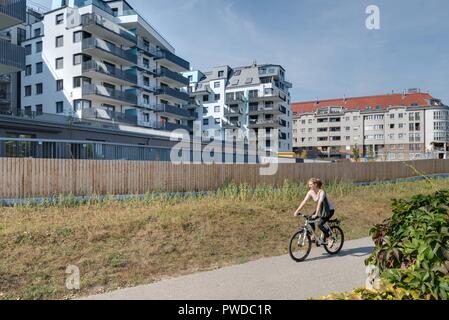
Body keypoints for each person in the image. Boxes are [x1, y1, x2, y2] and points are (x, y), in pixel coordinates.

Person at [294, 178, 335, 247]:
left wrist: (316, 214)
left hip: (328, 210)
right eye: (309, 185)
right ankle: (313, 236)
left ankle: (330, 239)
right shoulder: (310, 192)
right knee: (310, 219)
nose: (309, 186)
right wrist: (297, 211)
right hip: (321, 210)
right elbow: (304, 201)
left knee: (320, 224)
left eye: (311, 184)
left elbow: (319, 202)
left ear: (315, 185)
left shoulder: (322, 192)